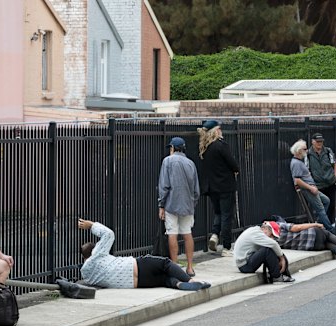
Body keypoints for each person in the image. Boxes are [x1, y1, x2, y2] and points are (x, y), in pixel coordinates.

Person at [78, 219, 210, 291]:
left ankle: (178, 284)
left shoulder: (87, 274)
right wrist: (91, 226)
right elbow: (109, 234)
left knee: (164, 279)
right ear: (94, 250)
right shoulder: (96, 255)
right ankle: (190, 281)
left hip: (135, 283)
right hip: (134, 266)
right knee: (165, 263)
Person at [197, 120, 240, 258]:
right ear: (216, 131)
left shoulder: (205, 147)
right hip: (225, 186)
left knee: (218, 213)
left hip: (211, 187)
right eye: (219, 128)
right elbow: (233, 164)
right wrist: (236, 170)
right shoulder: (221, 145)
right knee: (227, 215)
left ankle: (215, 235)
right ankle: (226, 247)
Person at [158, 137, 200, 276]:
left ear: (172, 148)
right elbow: (196, 190)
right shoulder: (190, 164)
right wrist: (192, 203)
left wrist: (161, 205)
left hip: (171, 203)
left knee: (172, 234)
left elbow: (164, 185)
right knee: (187, 234)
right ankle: (190, 267)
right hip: (187, 204)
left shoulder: (167, 161)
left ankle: (175, 267)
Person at [290, 139, 334, 231]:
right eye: (304, 149)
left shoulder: (298, 162)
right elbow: (297, 180)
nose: (306, 151)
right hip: (308, 189)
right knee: (321, 209)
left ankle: (318, 223)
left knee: (326, 201)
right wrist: (310, 188)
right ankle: (329, 229)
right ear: (298, 151)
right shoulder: (296, 163)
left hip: (311, 187)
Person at [272, 216, 336, 259]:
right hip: (312, 234)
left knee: (326, 244)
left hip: (311, 247)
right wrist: (316, 224)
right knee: (327, 234)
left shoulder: (273, 241)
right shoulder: (278, 226)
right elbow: (298, 227)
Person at [306, 133, 336, 223]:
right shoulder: (308, 154)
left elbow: (335, 164)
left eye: (321, 141)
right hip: (318, 185)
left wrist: (335, 177)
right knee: (320, 206)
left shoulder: (328, 151)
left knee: (331, 205)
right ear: (313, 142)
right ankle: (322, 225)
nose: (319, 143)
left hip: (330, 183)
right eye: (317, 142)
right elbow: (307, 169)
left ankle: (331, 224)